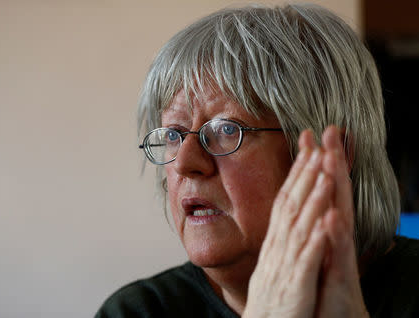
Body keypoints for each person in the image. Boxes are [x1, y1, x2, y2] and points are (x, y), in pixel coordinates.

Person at [96, 3, 419, 317]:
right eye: (173, 135)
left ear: (330, 158)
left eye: (225, 129)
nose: (184, 163)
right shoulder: (137, 310)